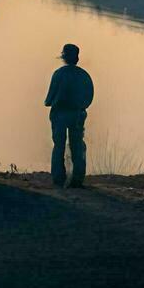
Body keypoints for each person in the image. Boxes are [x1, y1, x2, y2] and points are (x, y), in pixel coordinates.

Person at [44, 43, 94, 188]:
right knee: (77, 145)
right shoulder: (84, 75)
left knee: (58, 145)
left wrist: (52, 102)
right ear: (77, 58)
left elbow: (49, 100)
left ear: (64, 58)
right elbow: (89, 97)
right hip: (77, 114)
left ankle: (58, 178)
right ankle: (77, 179)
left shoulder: (58, 74)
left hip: (59, 114)